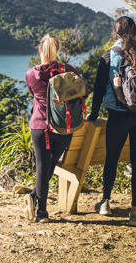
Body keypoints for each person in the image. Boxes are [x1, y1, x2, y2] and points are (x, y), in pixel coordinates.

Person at [86, 16, 136, 226]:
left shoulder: (109, 55)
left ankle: (106, 203)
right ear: (135, 32)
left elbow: (99, 89)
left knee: (112, 159)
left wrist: (93, 113)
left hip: (118, 115)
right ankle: (134, 212)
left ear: (115, 32)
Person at [24, 33, 88, 223]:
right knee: (50, 164)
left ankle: (41, 211)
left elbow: (33, 94)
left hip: (40, 126)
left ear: (40, 50)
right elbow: (83, 94)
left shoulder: (31, 74)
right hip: (63, 127)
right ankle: (35, 197)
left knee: (43, 167)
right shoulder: (69, 71)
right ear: (58, 51)